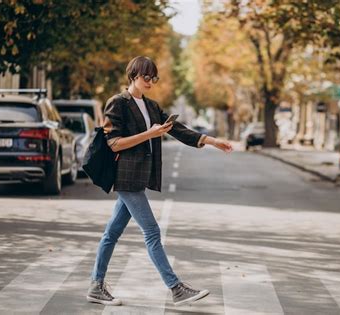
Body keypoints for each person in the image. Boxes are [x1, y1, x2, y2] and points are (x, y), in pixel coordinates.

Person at [87, 56, 233, 307]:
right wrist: (149, 134)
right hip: (126, 178)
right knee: (152, 232)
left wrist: (212, 141)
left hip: (139, 177)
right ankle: (176, 288)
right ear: (133, 75)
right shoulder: (117, 103)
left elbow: (179, 130)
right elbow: (113, 143)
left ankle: (95, 286)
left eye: (154, 77)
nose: (151, 82)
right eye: (146, 77)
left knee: (111, 233)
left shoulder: (152, 106)